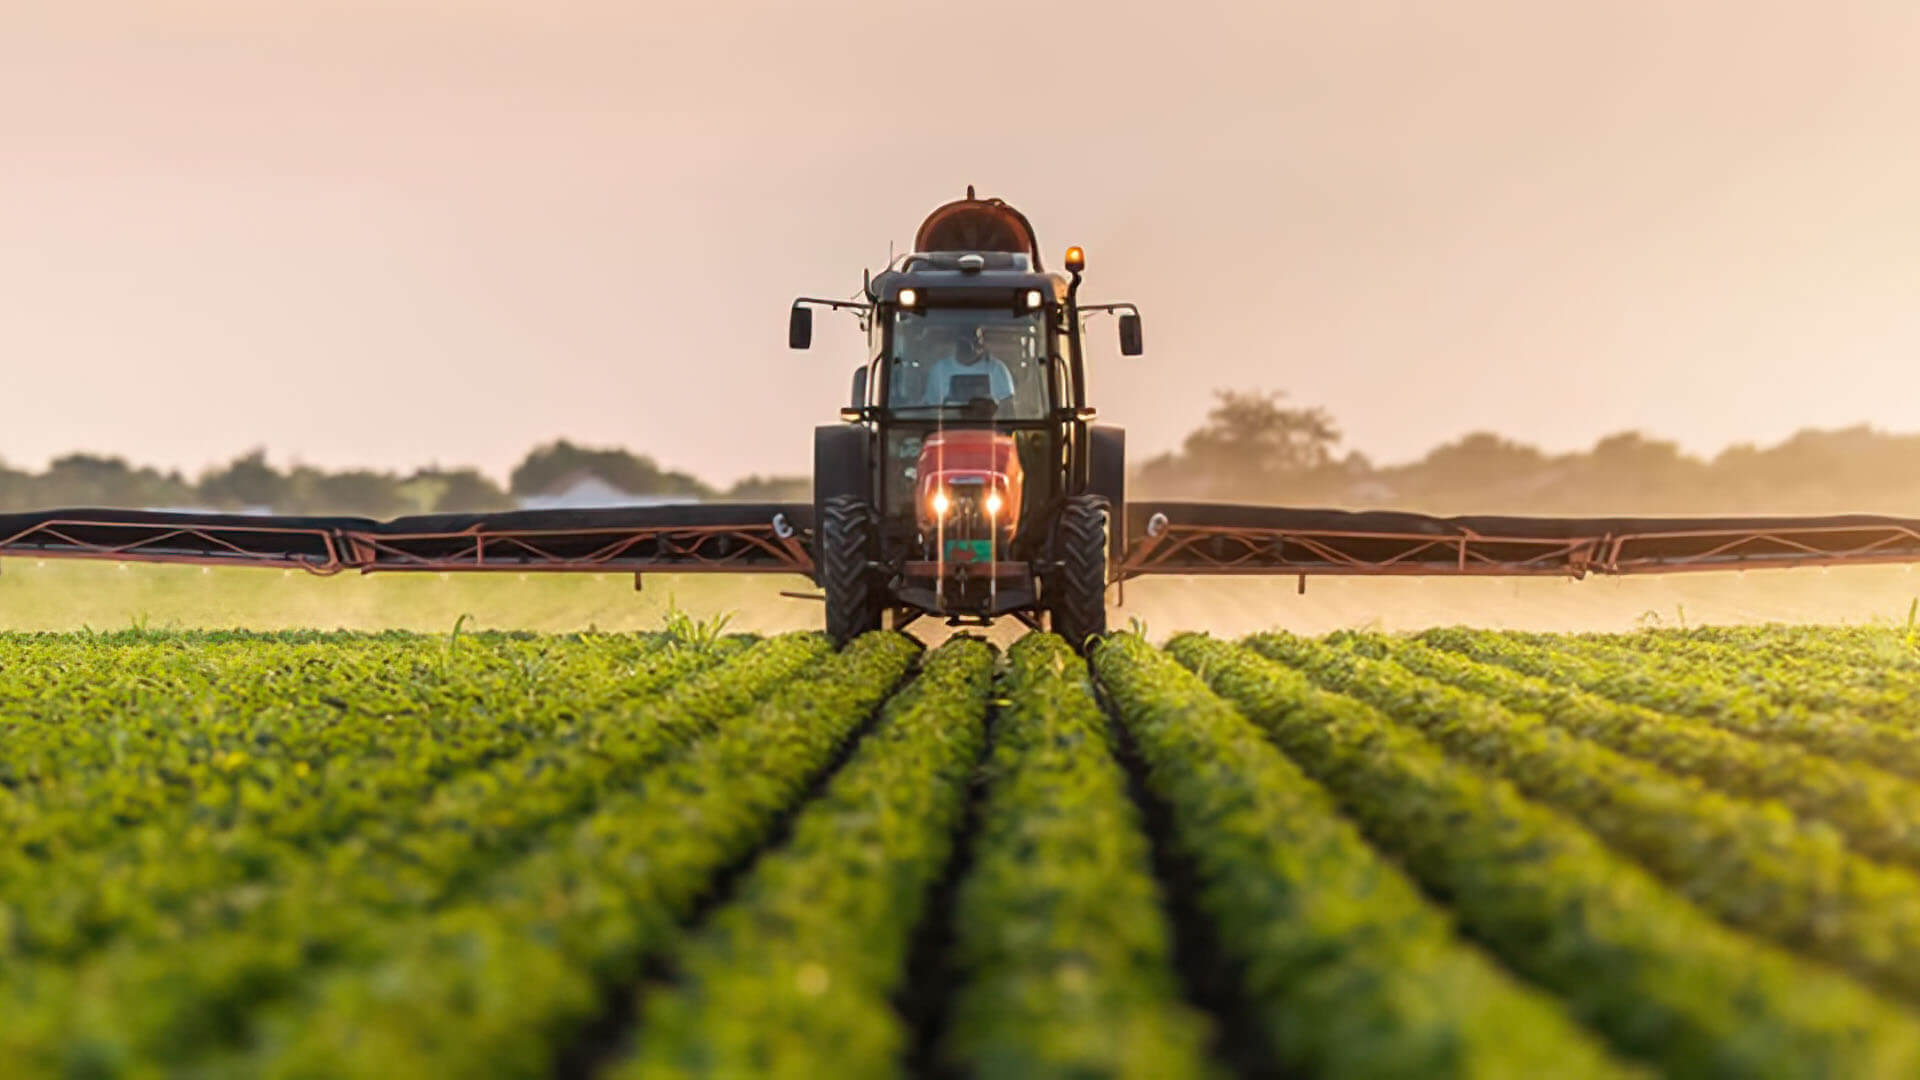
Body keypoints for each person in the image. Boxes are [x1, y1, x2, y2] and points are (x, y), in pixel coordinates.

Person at [920, 326, 1015, 407]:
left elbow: (1007, 406)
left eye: (975, 340)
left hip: (987, 422)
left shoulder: (996, 369)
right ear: (957, 343)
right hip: (948, 422)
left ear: (982, 343)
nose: (970, 346)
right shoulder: (940, 369)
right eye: (964, 341)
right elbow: (931, 407)